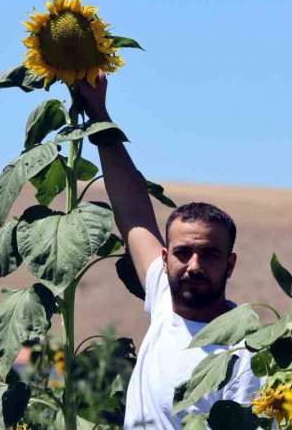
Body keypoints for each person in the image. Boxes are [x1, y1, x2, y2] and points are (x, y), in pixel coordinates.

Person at [78, 73, 261, 429]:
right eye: (182, 253)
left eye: (209, 254)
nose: (194, 266)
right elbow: (133, 215)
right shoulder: (165, 298)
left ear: (230, 264)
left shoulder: (242, 355)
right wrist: (99, 115)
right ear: (164, 259)